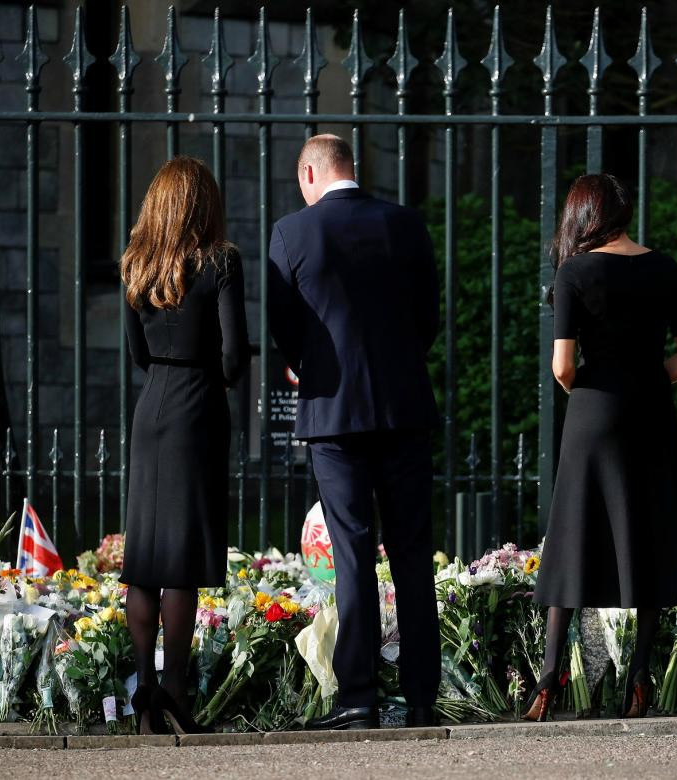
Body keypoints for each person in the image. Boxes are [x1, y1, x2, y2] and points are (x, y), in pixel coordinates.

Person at [268, 134, 441, 731]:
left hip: (334, 412)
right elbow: (428, 317)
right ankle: (422, 694)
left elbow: (284, 326)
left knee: (352, 552)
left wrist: (312, 367)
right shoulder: (405, 223)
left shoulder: (292, 232)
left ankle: (359, 696)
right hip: (404, 408)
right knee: (414, 553)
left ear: (308, 175)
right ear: (351, 169)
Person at [527, 173, 677, 721]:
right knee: (651, 530)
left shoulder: (574, 271)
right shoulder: (665, 268)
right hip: (649, 409)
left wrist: (587, 387)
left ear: (583, 215)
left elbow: (562, 365)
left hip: (592, 412)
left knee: (572, 536)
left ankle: (548, 679)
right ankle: (638, 679)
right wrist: (649, 378)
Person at [121, 156, 250, 735]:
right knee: (183, 561)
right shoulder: (221, 262)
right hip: (197, 407)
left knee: (144, 561)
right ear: (204, 205)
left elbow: (137, 355)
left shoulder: (137, 265)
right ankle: (175, 691)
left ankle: (144, 695)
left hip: (151, 406)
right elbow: (233, 357)